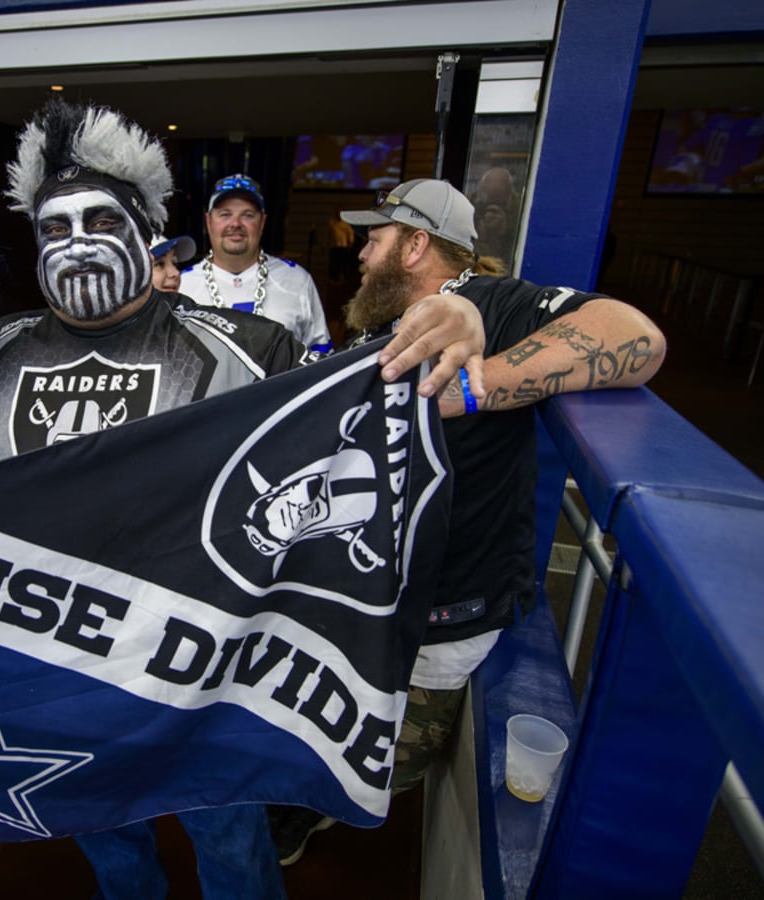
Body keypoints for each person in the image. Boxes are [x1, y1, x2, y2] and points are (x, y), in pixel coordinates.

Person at [0, 98, 486, 899]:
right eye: (53, 229)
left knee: (234, 852)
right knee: (112, 853)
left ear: (148, 233)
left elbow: (349, 431)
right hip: (59, 667)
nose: (73, 248)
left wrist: (457, 307)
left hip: (208, 672)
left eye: (99, 224)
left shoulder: (250, 345)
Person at [269, 178, 667, 865]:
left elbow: (637, 337)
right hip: (360, 599)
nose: (362, 252)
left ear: (417, 245)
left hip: (438, 618)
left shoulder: (489, 302)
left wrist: (476, 386)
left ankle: (302, 815)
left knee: (367, 766)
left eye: (377, 237)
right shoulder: (378, 329)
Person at [178, 173, 332, 353]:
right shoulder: (182, 285)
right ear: (208, 221)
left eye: (248, 215)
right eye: (225, 214)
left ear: (262, 222)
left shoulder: (297, 281)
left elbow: (322, 356)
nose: (235, 223)